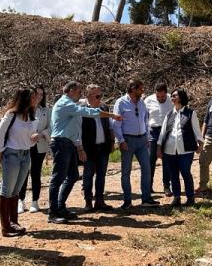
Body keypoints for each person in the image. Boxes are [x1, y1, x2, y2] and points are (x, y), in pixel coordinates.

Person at [49, 81, 121, 224]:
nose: (80, 94)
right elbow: (88, 112)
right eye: (78, 91)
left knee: (73, 175)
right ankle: (53, 212)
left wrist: (78, 147)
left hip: (67, 143)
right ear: (70, 91)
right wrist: (111, 115)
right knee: (58, 178)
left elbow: (74, 129)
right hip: (61, 143)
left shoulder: (71, 106)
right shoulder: (66, 104)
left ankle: (61, 207)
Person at [0, 88, 38, 237]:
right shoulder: (11, 115)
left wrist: (33, 139)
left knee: (15, 191)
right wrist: (0, 151)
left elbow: (29, 139)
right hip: (11, 154)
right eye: (33, 97)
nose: (35, 100)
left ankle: (14, 223)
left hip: (26, 154)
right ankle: (5, 227)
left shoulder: (30, 116)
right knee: (6, 191)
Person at [113, 78, 158, 209]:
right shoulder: (121, 102)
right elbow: (116, 124)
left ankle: (146, 199)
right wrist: (121, 140)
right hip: (128, 140)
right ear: (133, 89)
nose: (143, 90)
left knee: (147, 169)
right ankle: (127, 201)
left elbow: (146, 120)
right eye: (141, 88)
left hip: (142, 140)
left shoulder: (142, 102)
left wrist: (148, 138)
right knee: (126, 171)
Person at [158, 89, 203, 207]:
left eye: (174, 96)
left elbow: (196, 130)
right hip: (169, 150)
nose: (172, 98)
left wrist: (200, 144)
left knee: (185, 172)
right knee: (173, 174)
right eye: (171, 96)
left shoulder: (190, 113)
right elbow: (163, 133)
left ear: (181, 97)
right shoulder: (169, 114)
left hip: (186, 150)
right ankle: (176, 197)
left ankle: (190, 197)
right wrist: (159, 147)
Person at [80, 84, 114, 212]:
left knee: (101, 175)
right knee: (88, 175)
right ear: (88, 96)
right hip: (89, 148)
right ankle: (88, 201)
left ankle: (100, 200)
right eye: (97, 95)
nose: (100, 98)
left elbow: (110, 126)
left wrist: (112, 142)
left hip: (103, 147)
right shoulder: (82, 110)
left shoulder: (104, 107)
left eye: (101, 95)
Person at [18, 84, 51, 214]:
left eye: (41, 95)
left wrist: (42, 134)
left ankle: (35, 201)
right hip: (25, 145)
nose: (39, 97)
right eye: (36, 94)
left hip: (39, 145)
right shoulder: (23, 110)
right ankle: (21, 201)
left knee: (36, 173)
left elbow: (51, 127)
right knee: (23, 173)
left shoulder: (46, 111)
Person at [144, 81, 173, 195]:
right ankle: (148, 185)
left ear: (166, 93)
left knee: (167, 160)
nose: (160, 98)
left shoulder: (171, 99)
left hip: (167, 131)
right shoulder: (148, 100)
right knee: (150, 160)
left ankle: (166, 186)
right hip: (153, 131)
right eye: (158, 96)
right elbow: (144, 117)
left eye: (162, 96)